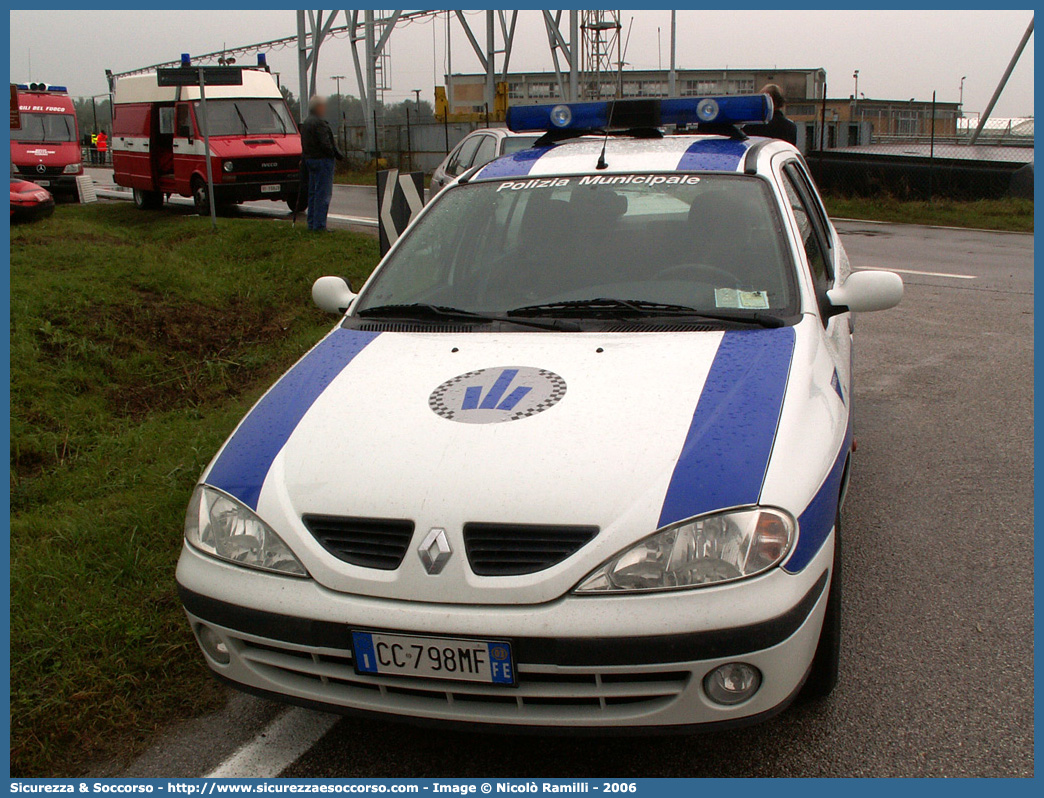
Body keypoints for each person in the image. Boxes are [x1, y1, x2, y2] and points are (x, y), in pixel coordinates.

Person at [300, 95, 345, 231]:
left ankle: (312, 223)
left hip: (310, 160)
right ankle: (319, 225)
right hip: (322, 161)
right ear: (318, 107)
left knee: (313, 193)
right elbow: (326, 144)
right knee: (323, 194)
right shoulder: (320, 123)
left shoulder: (306, 123)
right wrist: (335, 155)